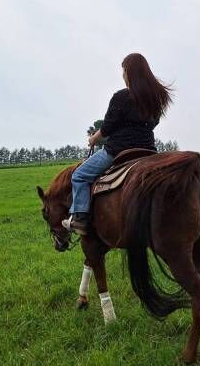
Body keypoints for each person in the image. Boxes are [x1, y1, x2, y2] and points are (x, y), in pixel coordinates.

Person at [62, 53, 173, 235]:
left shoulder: (121, 97)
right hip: (148, 152)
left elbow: (107, 127)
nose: (122, 74)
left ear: (129, 72)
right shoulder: (156, 98)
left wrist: (93, 139)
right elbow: (154, 123)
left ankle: (80, 219)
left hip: (118, 150)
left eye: (123, 70)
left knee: (79, 176)